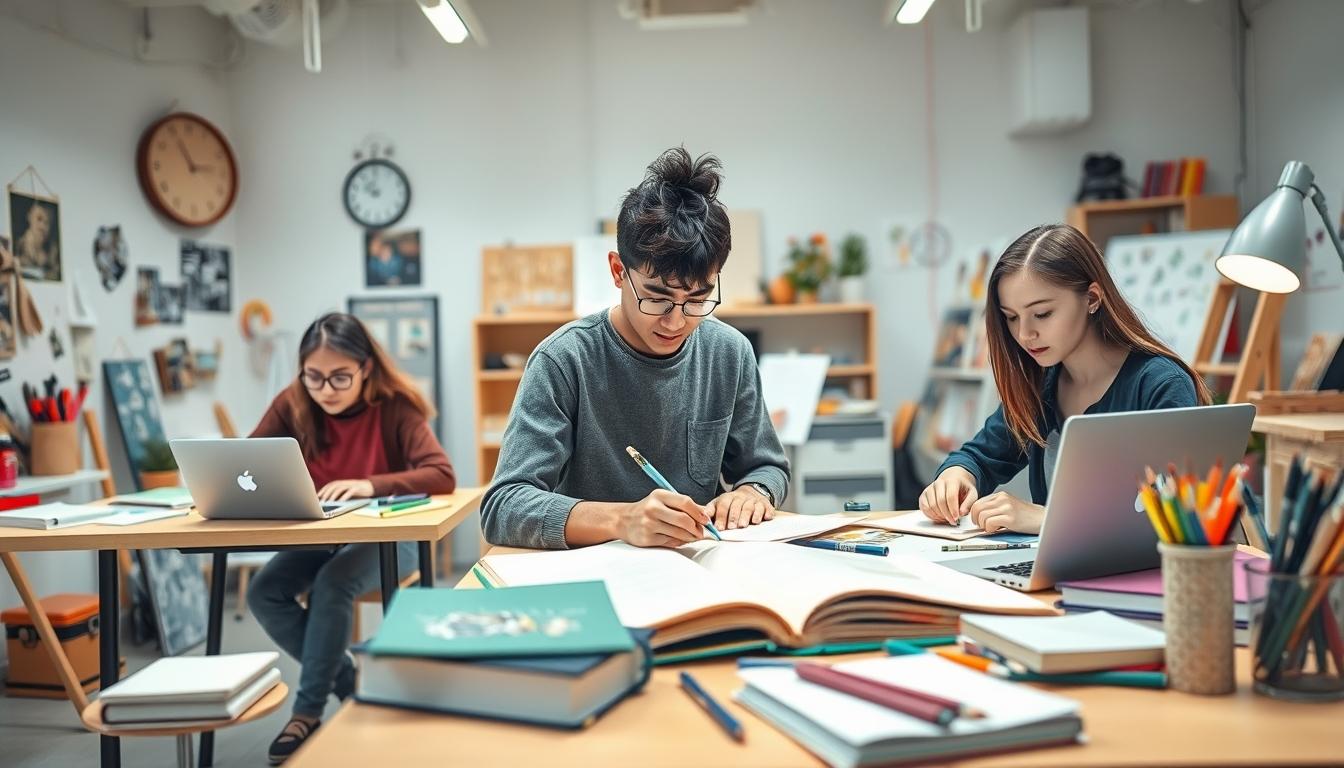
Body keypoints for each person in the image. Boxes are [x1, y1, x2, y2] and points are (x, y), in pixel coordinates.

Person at [480, 147, 789, 550]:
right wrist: (622, 519)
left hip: (701, 569)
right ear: (617, 271)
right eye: (656, 298)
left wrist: (753, 492)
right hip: (597, 577)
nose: (676, 321)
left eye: (697, 300)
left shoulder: (729, 353)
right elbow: (503, 506)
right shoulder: (563, 361)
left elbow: (766, 466)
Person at [246, 312, 455, 764]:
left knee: (332, 584)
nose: (325, 390)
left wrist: (371, 484)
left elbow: (441, 474)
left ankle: (307, 712)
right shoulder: (294, 401)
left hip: (390, 539)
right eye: (314, 377)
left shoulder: (396, 406)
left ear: (366, 368)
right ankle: (351, 682)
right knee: (264, 591)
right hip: (323, 535)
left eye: (340, 377)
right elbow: (249, 464)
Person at [920, 224, 1211, 534]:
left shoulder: (1160, 385)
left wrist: (1048, 519)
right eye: (1012, 317)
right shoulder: (1039, 386)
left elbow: (1173, 518)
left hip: (1135, 578)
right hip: (1051, 573)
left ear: (1092, 298)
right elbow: (979, 455)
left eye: (1042, 313)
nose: (1024, 334)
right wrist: (956, 476)